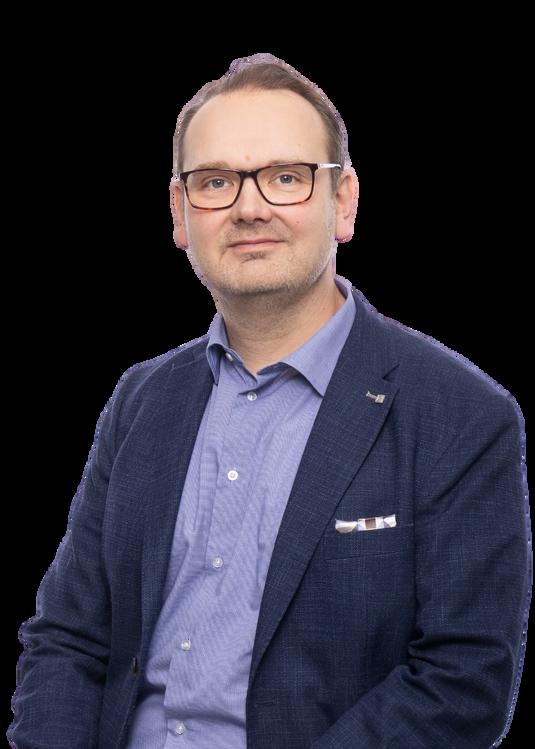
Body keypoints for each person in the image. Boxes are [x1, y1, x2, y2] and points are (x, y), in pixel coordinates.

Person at [8, 53, 530, 749]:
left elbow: (461, 682)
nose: (249, 207)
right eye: (215, 182)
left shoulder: (459, 414)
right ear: (180, 214)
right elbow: (70, 637)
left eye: (285, 177)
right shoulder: (142, 399)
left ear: (342, 201)